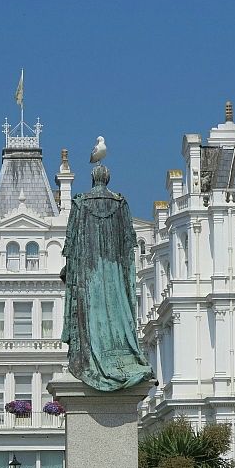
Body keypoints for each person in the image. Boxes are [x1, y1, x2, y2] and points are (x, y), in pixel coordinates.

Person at [61, 164, 153, 392]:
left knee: (91, 313)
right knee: (115, 310)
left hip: (87, 271)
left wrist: (69, 270)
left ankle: (93, 355)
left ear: (93, 179)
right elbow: (128, 244)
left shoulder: (80, 203)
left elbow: (71, 243)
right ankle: (119, 355)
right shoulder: (120, 204)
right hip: (114, 272)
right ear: (108, 179)